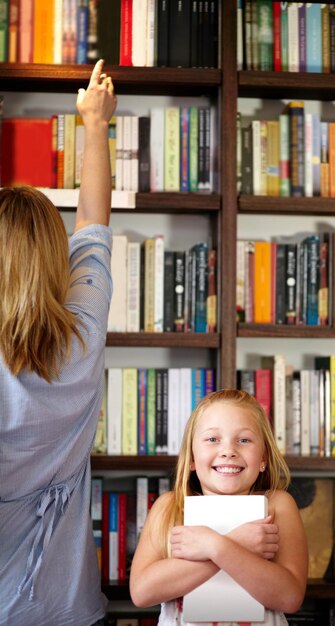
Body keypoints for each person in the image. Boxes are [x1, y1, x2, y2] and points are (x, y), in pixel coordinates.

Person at [0, 60, 117, 626]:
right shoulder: (82, 335)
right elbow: (94, 222)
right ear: (56, 260)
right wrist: (94, 125)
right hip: (69, 611)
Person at [130, 389, 308, 626]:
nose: (228, 451)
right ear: (192, 457)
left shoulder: (277, 505)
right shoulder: (170, 506)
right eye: (213, 439)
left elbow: (290, 597)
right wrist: (236, 543)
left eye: (244, 440)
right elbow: (142, 593)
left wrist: (216, 546)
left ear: (263, 458)